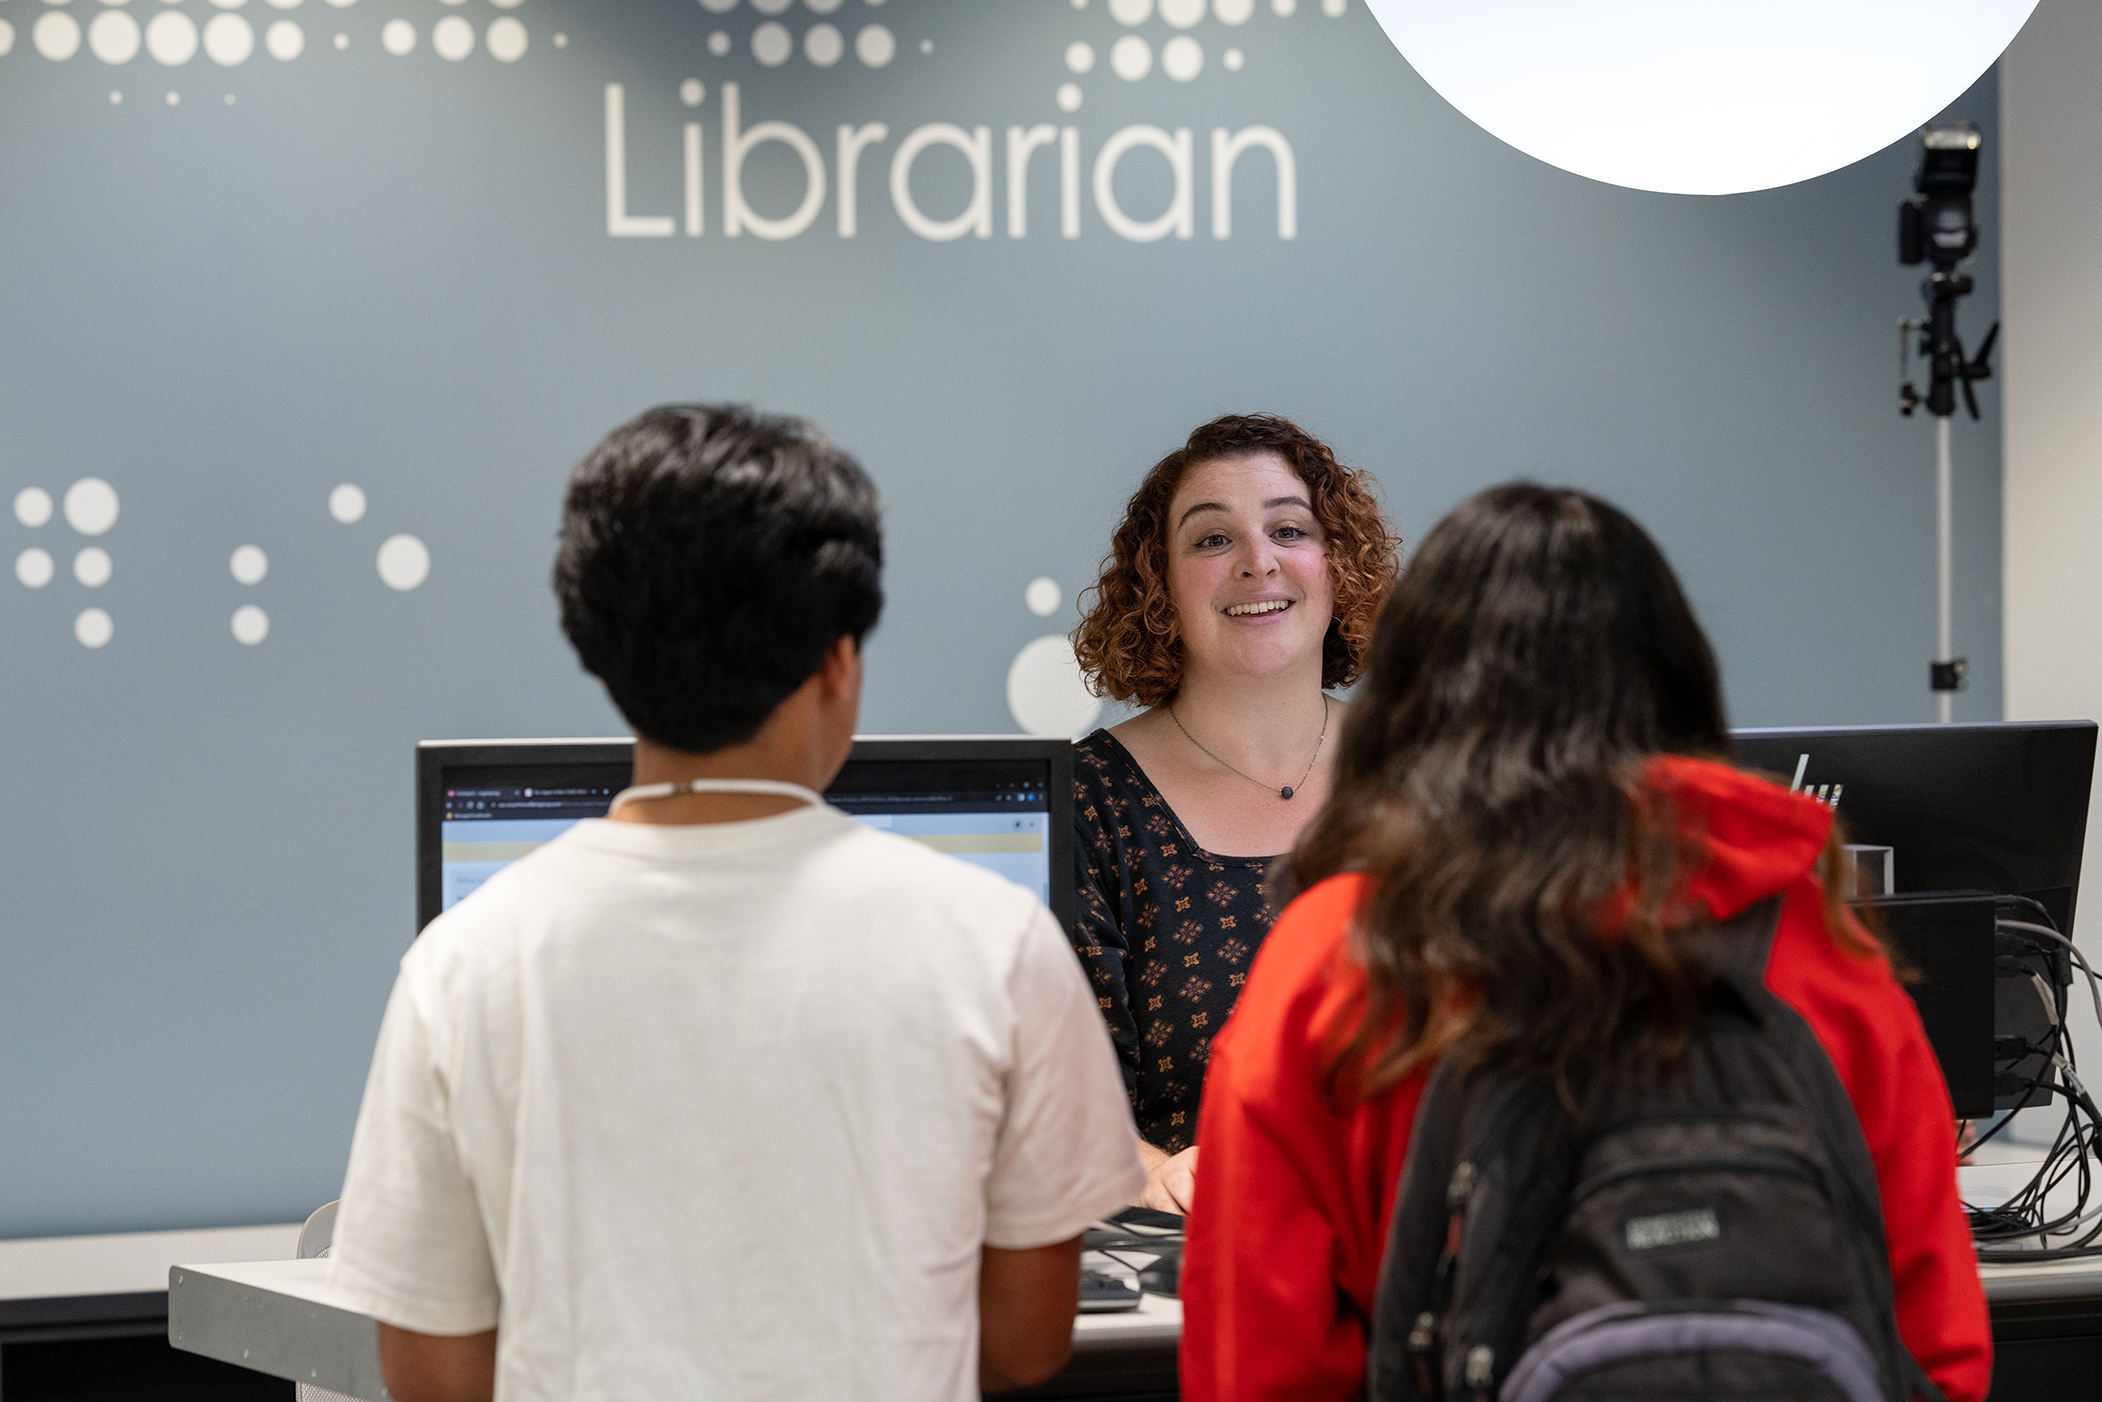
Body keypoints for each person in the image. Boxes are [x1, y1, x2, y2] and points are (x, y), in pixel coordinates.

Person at [327, 405, 1143, 1402]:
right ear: (839, 658)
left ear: (596, 655)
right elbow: (1024, 1339)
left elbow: (431, 1371)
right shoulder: (996, 941)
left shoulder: (463, 961)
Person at [1178, 484, 1992, 1402]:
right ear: (1676, 682)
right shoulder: (1817, 942)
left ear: (1410, 697)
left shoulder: (1336, 956)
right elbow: (1938, 1350)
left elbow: (1258, 1366)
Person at [1067, 414, 1400, 1213]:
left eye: (1290, 529)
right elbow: (1069, 1102)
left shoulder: (1437, 777)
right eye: (1212, 540)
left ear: (1340, 567)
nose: (1259, 562)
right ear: (1160, 586)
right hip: (1200, 1266)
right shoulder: (1089, 800)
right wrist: (1158, 1176)